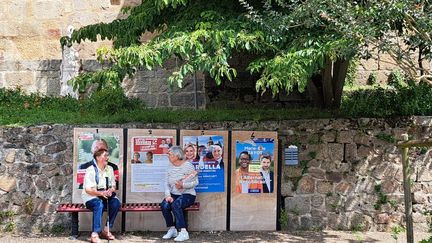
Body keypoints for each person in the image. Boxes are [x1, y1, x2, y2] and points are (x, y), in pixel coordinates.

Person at [82, 148, 121, 243]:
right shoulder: (90, 170)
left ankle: (106, 229)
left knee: (116, 203)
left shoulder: (110, 169)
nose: (108, 158)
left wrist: (110, 190)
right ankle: (95, 234)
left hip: (105, 195)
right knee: (98, 204)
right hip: (92, 196)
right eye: (105, 155)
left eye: (108, 155)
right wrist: (101, 193)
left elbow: (113, 185)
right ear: (98, 158)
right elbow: (88, 190)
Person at [161, 146, 198, 242]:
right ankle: (172, 229)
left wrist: (183, 185)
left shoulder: (188, 166)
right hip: (174, 194)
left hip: (188, 194)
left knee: (176, 204)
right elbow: (166, 183)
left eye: (170, 154)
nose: (168, 156)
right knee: (164, 205)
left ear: (177, 156)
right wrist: (168, 195)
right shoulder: (169, 166)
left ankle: (183, 232)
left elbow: (196, 182)